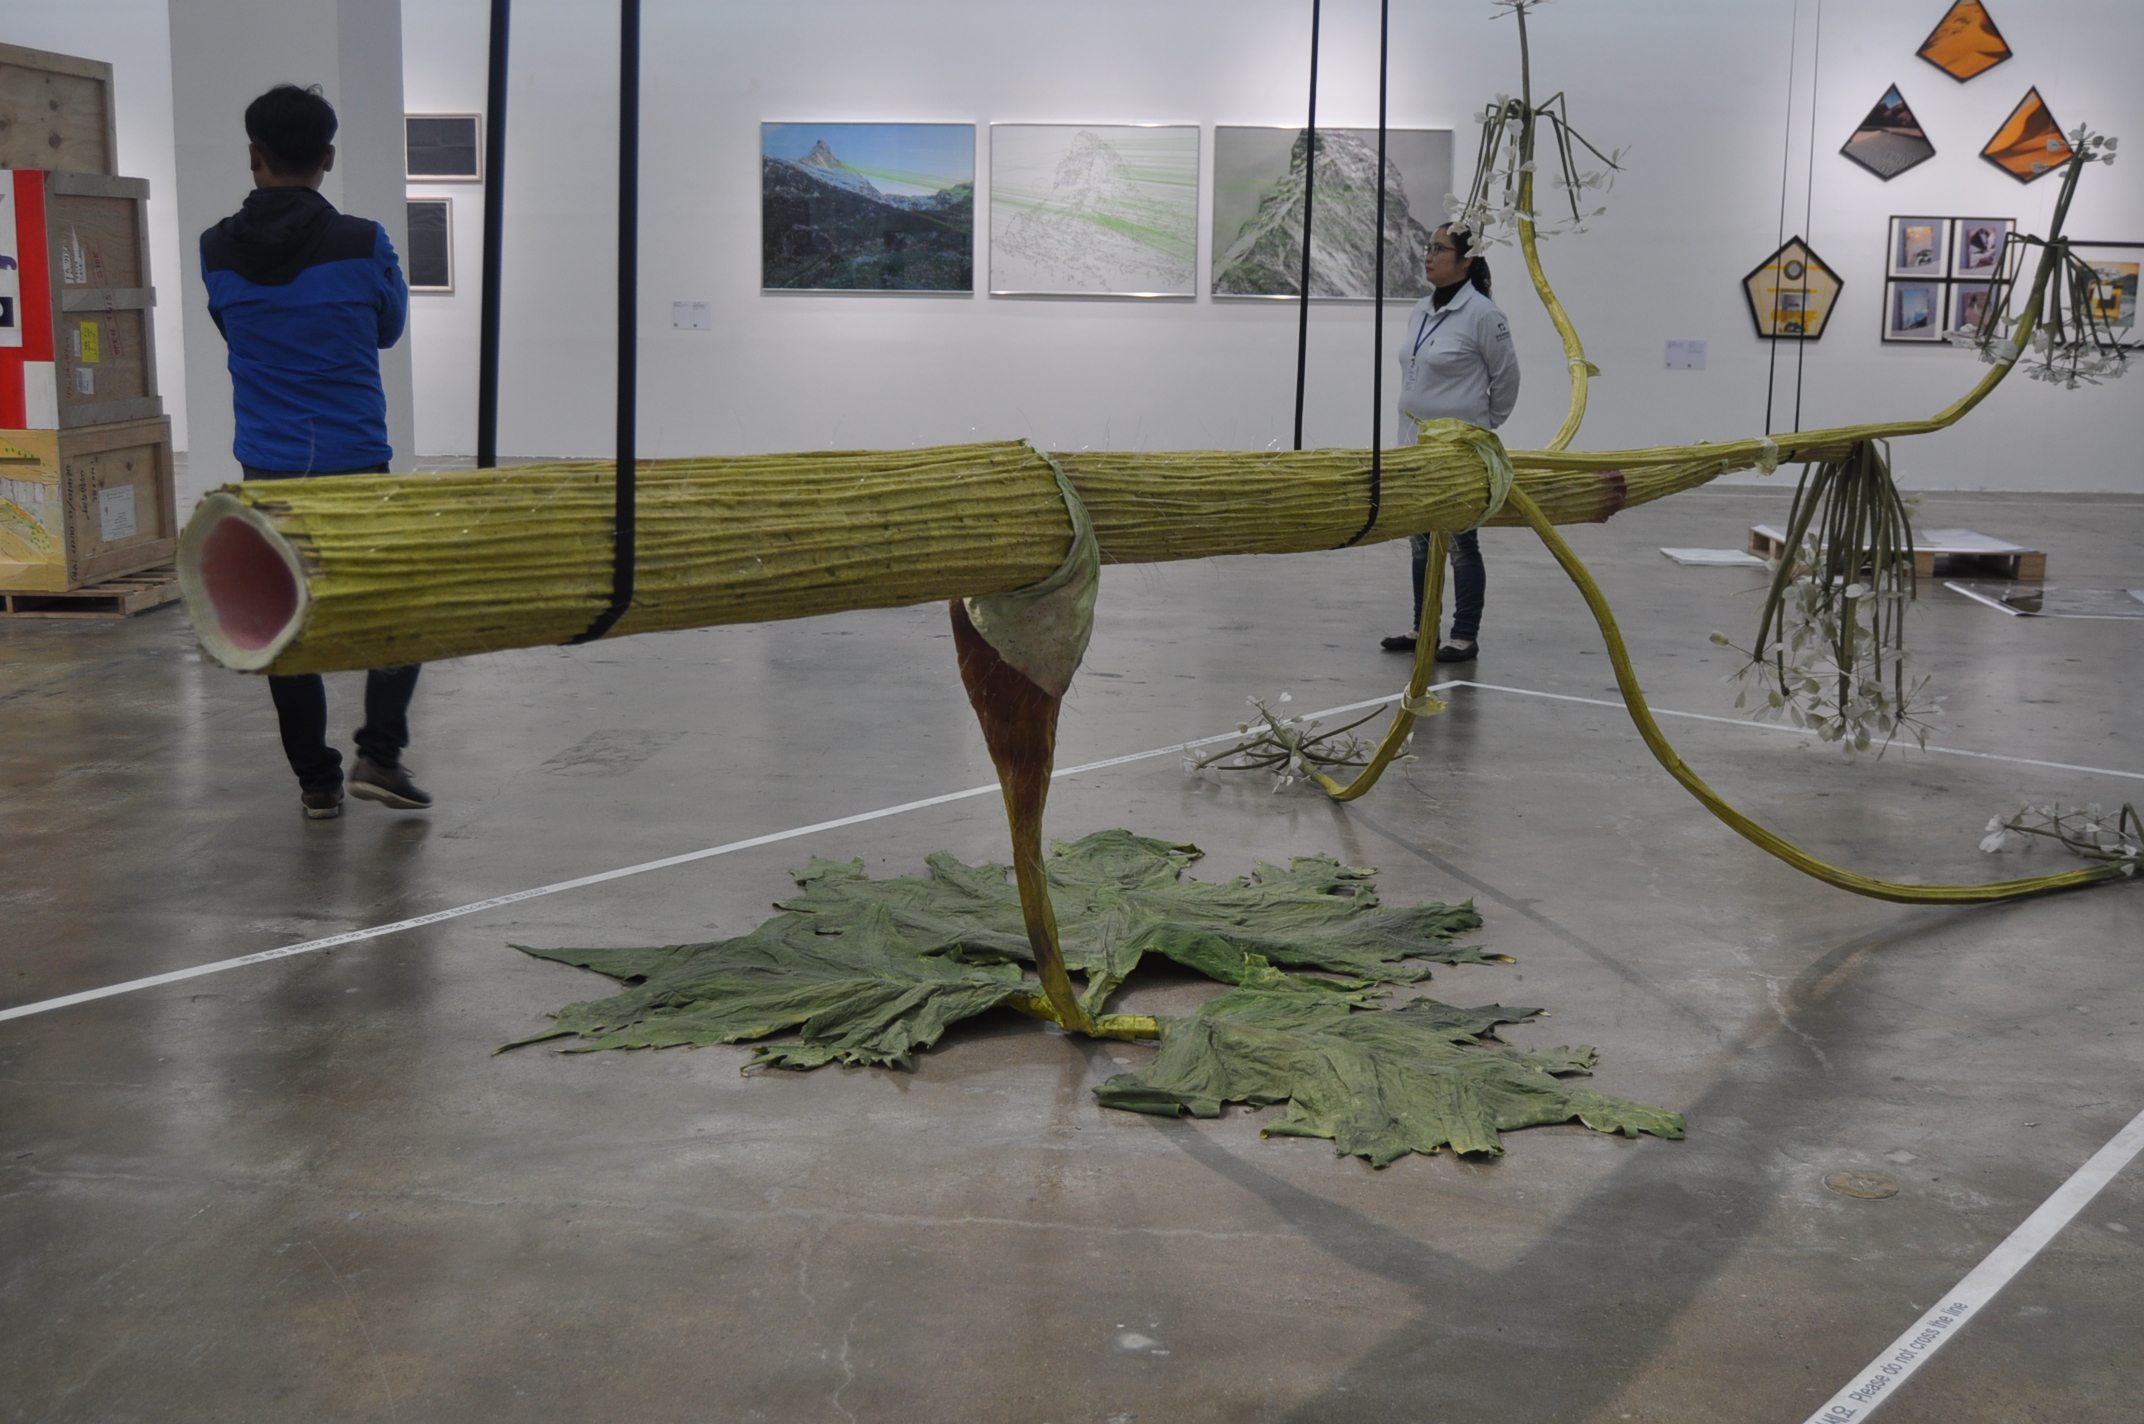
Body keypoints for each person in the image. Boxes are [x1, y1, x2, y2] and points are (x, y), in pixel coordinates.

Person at [201, 84, 429, 818]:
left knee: (286, 622)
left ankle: (317, 785)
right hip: (357, 463)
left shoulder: (214, 248)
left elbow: (233, 332)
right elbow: (387, 329)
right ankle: (381, 753)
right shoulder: (362, 241)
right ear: (328, 157)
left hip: (268, 468)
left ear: (253, 156)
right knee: (401, 607)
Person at [1380, 223, 1520, 661]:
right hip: (1415, 446)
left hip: (1458, 451)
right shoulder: (1421, 309)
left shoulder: (1483, 315)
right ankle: (1423, 628)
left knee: (1461, 543)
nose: (1428, 255)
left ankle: (1464, 634)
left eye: (1438, 249)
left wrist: (1482, 424)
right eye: (1428, 247)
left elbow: (1507, 379)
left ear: (1466, 259)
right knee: (1420, 540)